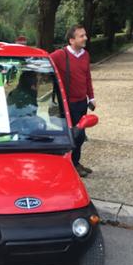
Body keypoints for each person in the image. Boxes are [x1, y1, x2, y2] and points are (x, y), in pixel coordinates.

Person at [50, 24, 97, 177]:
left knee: (80, 135)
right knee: (73, 135)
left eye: (85, 35)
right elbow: (44, 63)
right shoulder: (60, 55)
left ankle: (74, 163)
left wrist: (92, 97)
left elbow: (87, 77)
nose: (85, 38)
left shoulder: (85, 55)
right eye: (81, 36)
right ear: (71, 40)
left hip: (82, 102)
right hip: (67, 104)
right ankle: (70, 164)